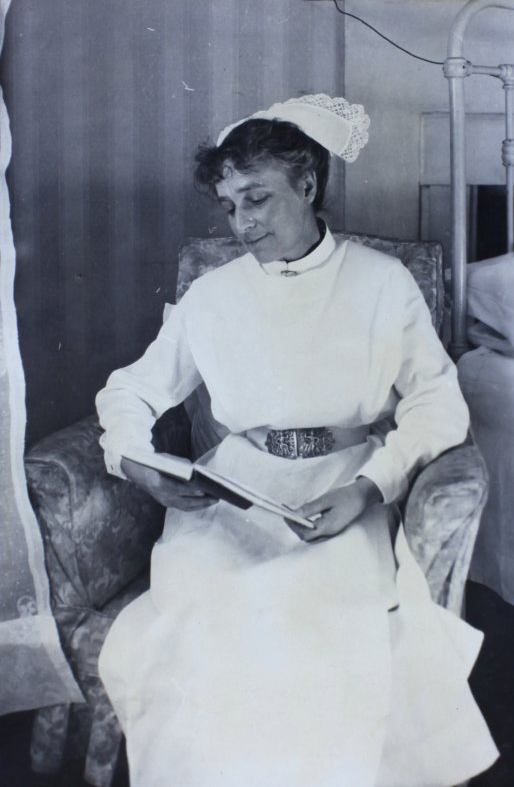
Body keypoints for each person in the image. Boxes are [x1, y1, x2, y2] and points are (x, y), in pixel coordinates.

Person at [96, 94, 498, 787]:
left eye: (257, 199)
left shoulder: (382, 283)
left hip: (345, 489)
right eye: (228, 206)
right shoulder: (213, 296)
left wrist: (371, 486)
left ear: (308, 185)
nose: (242, 223)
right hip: (237, 494)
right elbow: (128, 390)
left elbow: (439, 403)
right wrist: (134, 458)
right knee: (203, 631)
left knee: (326, 632)